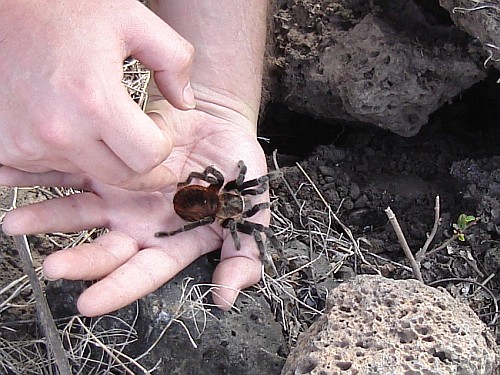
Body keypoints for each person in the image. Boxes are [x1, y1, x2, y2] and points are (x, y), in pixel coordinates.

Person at [0, 0, 269, 317]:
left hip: (198, 199)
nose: (245, 202)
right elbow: (226, 189)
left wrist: (214, 103)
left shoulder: (222, 190)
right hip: (197, 203)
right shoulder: (225, 216)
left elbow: (217, 175)